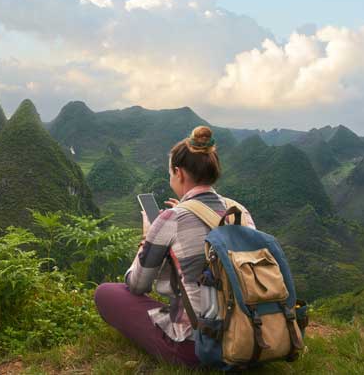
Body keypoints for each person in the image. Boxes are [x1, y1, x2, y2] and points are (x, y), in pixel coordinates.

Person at [93, 126, 256, 367]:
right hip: (251, 338)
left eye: (170, 172)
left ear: (178, 173)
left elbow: (138, 285)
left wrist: (148, 237)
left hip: (198, 348)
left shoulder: (172, 218)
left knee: (106, 293)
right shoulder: (240, 211)